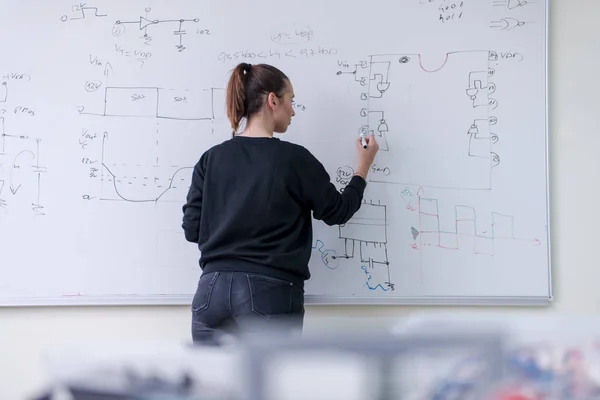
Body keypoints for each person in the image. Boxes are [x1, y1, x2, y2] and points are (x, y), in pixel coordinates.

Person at [182, 62, 379, 345]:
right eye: (291, 100)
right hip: (268, 291)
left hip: (210, 292)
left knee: (213, 387)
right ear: (273, 100)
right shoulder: (293, 159)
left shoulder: (210, 159)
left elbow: (192, 229)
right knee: (271, 387)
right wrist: (363, 167)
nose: (293, 110)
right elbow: (338, 211)